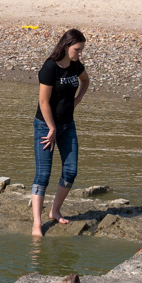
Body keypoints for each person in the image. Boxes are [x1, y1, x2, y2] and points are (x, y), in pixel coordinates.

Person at [33, 28, 91, 237]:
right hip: (45, 126)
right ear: (66, 47)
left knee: (71, 171)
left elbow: (85, 81)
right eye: (78, 49)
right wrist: (51, 128)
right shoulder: (50, 67)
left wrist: (78, 100)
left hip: (67, 126)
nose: (80, 53)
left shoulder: (75, 66)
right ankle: (37, 224)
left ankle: (55, 210)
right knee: (43, 174)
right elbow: (43, 101)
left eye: (82, 50)